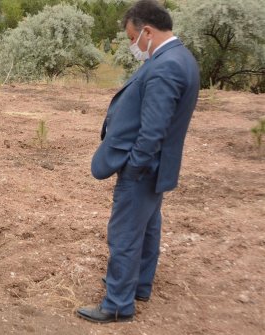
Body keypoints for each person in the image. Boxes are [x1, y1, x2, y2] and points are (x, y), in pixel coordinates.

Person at [76, 0, 200, 323]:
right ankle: (139, 285)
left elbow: (153, 129)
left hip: (144, 170)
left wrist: (133, 166)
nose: (133, 45)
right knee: (147, 229)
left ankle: (117, 303)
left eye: (133, 38)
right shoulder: (180, 57)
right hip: (157, 169)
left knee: (125, 234)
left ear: (147, 31)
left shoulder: (166, 66)